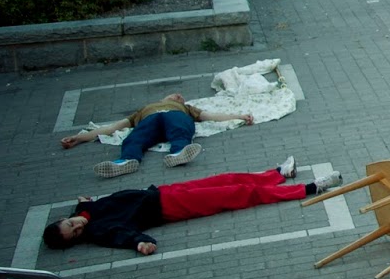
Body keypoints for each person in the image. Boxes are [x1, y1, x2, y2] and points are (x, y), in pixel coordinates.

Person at [41, 159, 342, 255]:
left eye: (70, 225)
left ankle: (277, 174)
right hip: (169, 206)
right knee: (238, 194)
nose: (77, 227)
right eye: (74, 234)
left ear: (65, 219)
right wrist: (141, 243)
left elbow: (89, 207)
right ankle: (309, 188)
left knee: (225, 179)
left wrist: (84, 204)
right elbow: (121, 234)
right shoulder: (99, 230)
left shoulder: (85, 211)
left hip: (161, 192)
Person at [59, 93, 260, 178]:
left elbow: (211, 116)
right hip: (150, 120)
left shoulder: (186, 108)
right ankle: (126, 160)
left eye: (181, 98)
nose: (179, 96)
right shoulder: (144, 110)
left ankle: (179, 152)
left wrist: (238, 116)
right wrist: (79, 138)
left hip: (175, 116)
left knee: (179, 129)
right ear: (163, 98)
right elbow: (112, 128)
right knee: (135, 138)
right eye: (175, 95)